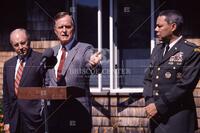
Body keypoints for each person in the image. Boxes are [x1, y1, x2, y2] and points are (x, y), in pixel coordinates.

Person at [143, 10, 200, 133]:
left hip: (178, 119)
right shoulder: (157, 50)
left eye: (159, 26)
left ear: (173, 26)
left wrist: (158, 106)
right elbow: (148, 79)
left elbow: (185, 85)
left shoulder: (191, 51)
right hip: (156, 118)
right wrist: (150, 102)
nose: (155, 29)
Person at [45, 12, 102, 133]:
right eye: (60, 27)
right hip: (54, 117)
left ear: (74, 29)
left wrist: (94, 64)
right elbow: (47, 81)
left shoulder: (85, 48)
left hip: (77, 115)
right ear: (55, 31)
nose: (64, 30)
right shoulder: (51, 52)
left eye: (68, 27)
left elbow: (93, 66)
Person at [2, 28, 44, 133]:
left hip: (34, 120)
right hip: (14, 120)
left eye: (23, 43)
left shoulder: (40, 60)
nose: (20, 47)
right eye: (16, 45)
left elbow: (46, 88)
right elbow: (6, 96)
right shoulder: (8, 65)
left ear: (29, 40)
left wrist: (40, 113)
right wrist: (7, 121)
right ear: (12, 46)